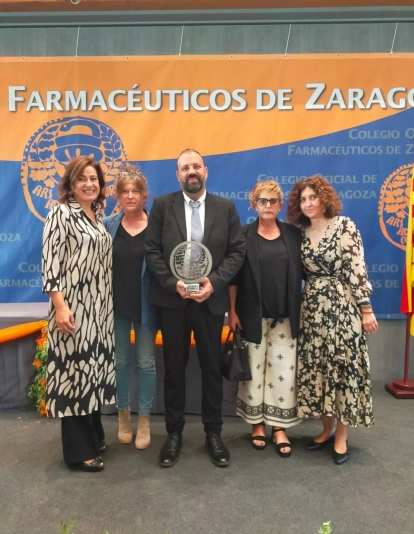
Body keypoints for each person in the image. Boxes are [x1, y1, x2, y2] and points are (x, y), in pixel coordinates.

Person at [145, 148, 245, 468]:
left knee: (211, 370)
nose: (191, 171)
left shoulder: (225, 208)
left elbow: (236, 251)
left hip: (209, 301)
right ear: (178, 175)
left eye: (196, 166)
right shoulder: (163, 205)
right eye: (185, 167)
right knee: (174, 370)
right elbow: (152, 251)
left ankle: (213, 434)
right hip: (172, 301)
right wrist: (172, 282)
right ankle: (173, 435)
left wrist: (213, 283)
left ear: (205, 171)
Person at [286, 176, 377, 465]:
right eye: (303, 199)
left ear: (324, 198)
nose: (307, 203)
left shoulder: (344, 225)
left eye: (313, 197)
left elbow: (357, 268)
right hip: (312, 309)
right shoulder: (300, 233)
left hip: (342, 307)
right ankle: (326, 429)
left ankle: (342, 436)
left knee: (342, 368)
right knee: (318, 369)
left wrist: (365, 308)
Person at [42, 156, 116, 472]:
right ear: (71, 185)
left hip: (98, 310)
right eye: (82, 178)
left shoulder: (97, 217)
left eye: (94, 179)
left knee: (91, 371)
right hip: (72, 309)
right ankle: (78, 452)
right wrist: (60, 306)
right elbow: (51, 263)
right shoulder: (60, 213)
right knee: (74, 375)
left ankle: (94, 437)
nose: (89, 184)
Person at [228, 180, 302, 457]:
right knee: (254, 373)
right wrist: (232, 311)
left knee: (283, 374)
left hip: (285, 318)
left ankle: (279, 427)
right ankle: (257, 424)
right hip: (250, 316)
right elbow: (233, 278)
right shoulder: (243, 235)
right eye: (262, 201)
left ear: (280, 205)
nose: (267, 205)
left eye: (273, 201)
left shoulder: (293, 235)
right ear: (253, 204)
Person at [103, 164, 157, 450]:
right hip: (117, 307)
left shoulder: (157, 226)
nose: (130, 196)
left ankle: (144, 420)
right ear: (118, 196)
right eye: (124, 191)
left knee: (146, 363)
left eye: (135, 191)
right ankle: (123, 416)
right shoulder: (108, 225)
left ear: (144, 195)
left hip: (147, 306)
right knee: (120, 362)